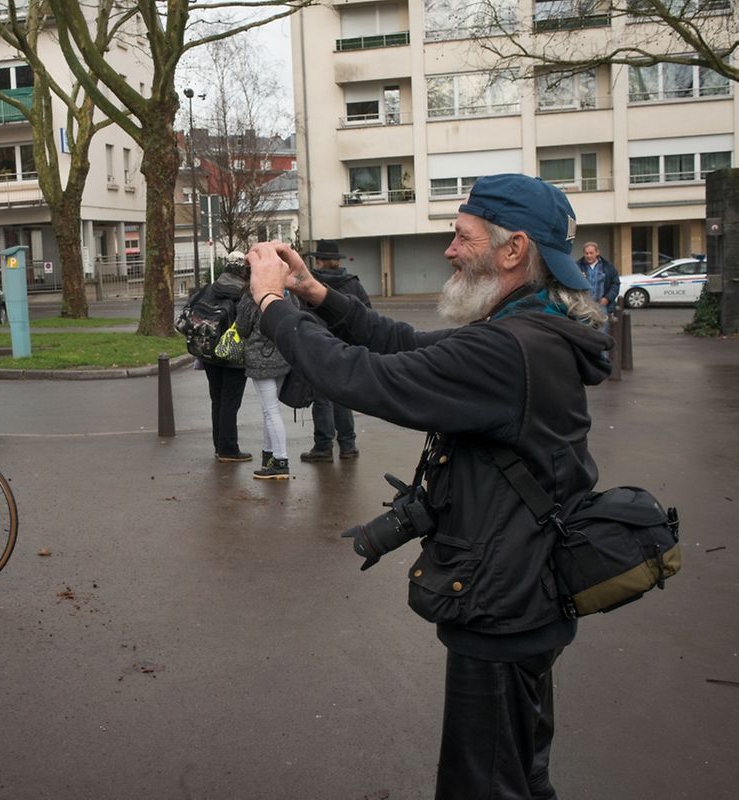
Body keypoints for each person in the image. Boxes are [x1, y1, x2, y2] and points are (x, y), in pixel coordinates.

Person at [246, 174, 612, 799]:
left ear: (514, 249)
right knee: (520, 774)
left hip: (502, 609)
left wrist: (271, 304)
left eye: (463, 236)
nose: (449, 249)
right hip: (527, 594)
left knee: (483, 784)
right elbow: (408, 346)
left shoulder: (508, 349)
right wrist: (315, 294)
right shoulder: (529, 329)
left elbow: (362, 377)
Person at [299, 239, 369, 463]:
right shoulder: (353, 284)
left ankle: (323, 447)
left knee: (322, 399)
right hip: (346, 347)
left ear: (319, 261)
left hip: (319, 347)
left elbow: (302, 317)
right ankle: (348, 446)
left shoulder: (311, 284)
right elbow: (366, 314)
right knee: (343, 398)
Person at [234, 286, 293, 479]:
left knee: (270, 411)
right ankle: (269, 454)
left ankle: (280, 461)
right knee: (270, 410)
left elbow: (242, 328)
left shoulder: (251, 298)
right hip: (283, 356)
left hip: (260, 359)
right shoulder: (286, 294)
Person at [198, 258, 252, 462]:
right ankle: (229, 449)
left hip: (209, 353)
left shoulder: (209, 289)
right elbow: (245, 325)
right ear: (243, 273)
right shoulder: (244, 294)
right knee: (230, 402)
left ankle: (219, 446)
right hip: (234, 356)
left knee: (217, 400)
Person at [576, 241, 620, 331]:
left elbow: (615, 284)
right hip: (583, 306)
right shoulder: (577, 266)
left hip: (601, 305)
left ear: (597, 252)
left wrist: (607, 298)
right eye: (586, 253)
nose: (589, 256)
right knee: (584, 333)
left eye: (591, 253)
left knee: (601, 332)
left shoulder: (607, 266)